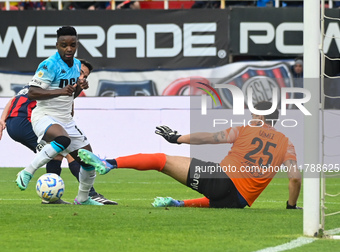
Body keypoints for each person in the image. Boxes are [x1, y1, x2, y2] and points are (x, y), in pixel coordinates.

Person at [78, 101, 302, 209]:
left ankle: (109, 163)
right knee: (216, 196)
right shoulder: (287, 143)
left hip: (221, 179)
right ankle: (178, 204)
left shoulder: (246, 129)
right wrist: (291, 206)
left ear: (259, 116)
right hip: (237, 201)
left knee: (161, 160)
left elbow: (210, 137)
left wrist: (178, 138)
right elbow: (294, 178)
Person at [14, 26, 109, 206]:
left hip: (66, 120)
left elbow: (70, 95)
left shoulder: (75, 66)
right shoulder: (49, 65)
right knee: (62, 140)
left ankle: (83, 198)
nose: (69, 49)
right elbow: (32, 93)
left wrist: (80, 86)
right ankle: (27, 171)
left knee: (89, 161)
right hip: (44, 116)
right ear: (57, 45)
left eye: (72, 45)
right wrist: (60, 91)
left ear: (77, 45)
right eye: (64, 45)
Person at [0, 60, 117, 205]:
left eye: (85, 76)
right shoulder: (58, 83)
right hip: (25, 121)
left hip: (15, 122)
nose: (82, 77)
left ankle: (51, 198)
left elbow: (15, 99)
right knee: (69, 152)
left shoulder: (50, 80)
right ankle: (90, 194)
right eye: (80, 72)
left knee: (57, 154)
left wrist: (3, 119)